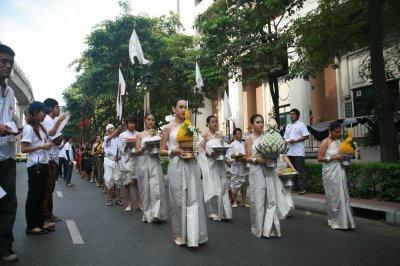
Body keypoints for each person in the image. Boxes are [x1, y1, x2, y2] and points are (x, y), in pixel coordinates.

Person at [160, 98, 208, 247]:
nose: (183, 109)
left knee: (194, 199)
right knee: (178, 200)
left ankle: (194, 235)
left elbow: (198, 148)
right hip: (176, 166)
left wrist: (201, 144)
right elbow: (161, 152)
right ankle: (179, 235)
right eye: (180, 107)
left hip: (191, 165)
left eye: (185, 107)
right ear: (173, 108)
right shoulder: (168, 128)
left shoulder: (191, 127)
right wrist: (172, 151)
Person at [245, 114, 288, 238]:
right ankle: (258, 228)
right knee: (257, 200)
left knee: (271, 199)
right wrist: (260, 161)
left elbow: (277, 152)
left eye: (262, 122)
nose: (261, 124)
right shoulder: (249, 139)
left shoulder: (268, 137)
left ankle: (270, 228)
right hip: (256, 170)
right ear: (252, 125)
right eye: (258, 122)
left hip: (269, 170)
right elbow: (248, 158)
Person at [21, 101, 55, 235]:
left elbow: (51, 134)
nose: (45, 116)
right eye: (43, 113)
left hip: (43, 164)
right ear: (35, 113)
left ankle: (40, 222)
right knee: (34, 196)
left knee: (41, 195)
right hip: (36, 166)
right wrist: (41, 146)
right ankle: (32, 225)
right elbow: (24, 148)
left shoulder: (39, 127)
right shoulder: (29, 128)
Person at [0, 44, 20, 262]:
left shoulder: (11, 92)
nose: (7, 66)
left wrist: (14, 129)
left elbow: (9, 121)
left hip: (7, 158)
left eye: (10, 63)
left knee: (8, 203)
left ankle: (5, 248)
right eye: (3, 61)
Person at [317, 121, 355, 230]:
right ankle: (334, 221)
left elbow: (342, 154)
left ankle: (344, 221)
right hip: (329, 173)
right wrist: (335, 158)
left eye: (339, 132)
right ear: (330, 131)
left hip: (340, 170)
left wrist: (348, 154)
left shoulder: (339, 142)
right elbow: (319, 158)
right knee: (333, 197)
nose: (338, 134)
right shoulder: (325, 142)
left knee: (343, 195)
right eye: (336, 132)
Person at [136, 113, 168, 222]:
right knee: (145, 189)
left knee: (156, 188)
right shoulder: (139, 135)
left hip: (155, 161)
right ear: (144, 121)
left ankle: (157, 213)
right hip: (143, 163)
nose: (151, 122)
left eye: (153, 120)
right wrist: (144, 148)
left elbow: (164, 149)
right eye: (148, 119)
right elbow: (137, 152)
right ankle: (147, 214)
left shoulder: (158, 134)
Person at [202, 115, 232, 221]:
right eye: (212, 122)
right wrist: (210, 154)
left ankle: (225, 213)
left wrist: (223, 155)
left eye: (216, 122)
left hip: (220, 162)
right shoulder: (205, 135)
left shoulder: (220, 135)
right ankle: (214, 212)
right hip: (210, 163)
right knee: (213, 186)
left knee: (223, 185)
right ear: (208, 123)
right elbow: (201, 150)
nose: (215, 124)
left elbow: (224, 148)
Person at [42, 98, 65, 223]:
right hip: (49, 159)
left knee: (50, 189)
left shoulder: (51, 121)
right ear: (51, 107)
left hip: (52, 159)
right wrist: (59, 135)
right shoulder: (47, 121)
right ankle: (45, 216)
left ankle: (48, 214)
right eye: (57, 106)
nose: (59, 109)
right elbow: (58, 139)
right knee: (47, 189)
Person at [283, 108, 310, 194]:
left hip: (299, 152)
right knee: (291, 170)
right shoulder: (288, 126)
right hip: (289, 151)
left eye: (293, 114)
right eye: (290, 114)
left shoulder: (301, 125)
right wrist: (287, 141)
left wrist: (296, 140)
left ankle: (302, 188)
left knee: (300, 170)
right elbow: (285, 137)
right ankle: (294, 187)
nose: (291, 116)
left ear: (297, 115)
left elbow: (306, 136)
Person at [117, 116, 138, 212]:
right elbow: (121, 150)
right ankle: (129, 204)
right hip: (126, 161)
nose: (132, 125)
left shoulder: (138, 134)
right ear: (127, 124)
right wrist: (127, 146)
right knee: (127, 183)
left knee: (137, 182)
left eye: (133, 123)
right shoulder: (122, 135)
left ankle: (139, 203)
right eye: (130, 123)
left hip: (137, 160)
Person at [226, 128, 249, 208]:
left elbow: (248, 153)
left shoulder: (245, 143)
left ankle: (244, 201)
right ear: (235, 135)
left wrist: (245, 157)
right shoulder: (231, 145)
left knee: (244, 184)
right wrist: (235, 158)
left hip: (244, 166)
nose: (240, 135)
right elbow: (228, 157)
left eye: (241, 133)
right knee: (234, 184)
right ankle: (235, 201)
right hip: (235, 166)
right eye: (238, 133)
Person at [103, 124, 123, 206]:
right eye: (111, 128)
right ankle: (109, 199)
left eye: (113, 128)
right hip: (108, 161)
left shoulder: (118, 139)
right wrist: (118, 129)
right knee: (108, 180)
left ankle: (118, 199)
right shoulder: (106, 138)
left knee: (118, 180)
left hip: (116, 161)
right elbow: (111, 137)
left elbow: (121, 150)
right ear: (108, 131)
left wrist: (120, 157)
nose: (113, 129)